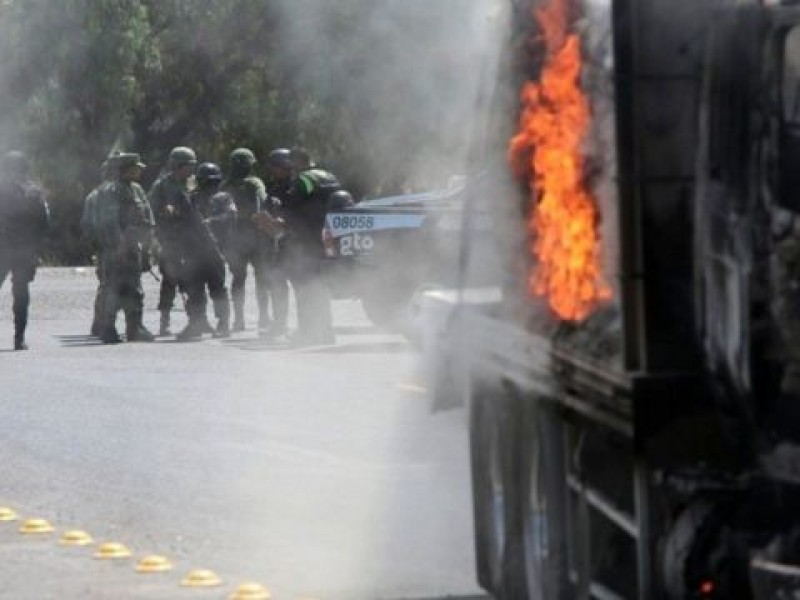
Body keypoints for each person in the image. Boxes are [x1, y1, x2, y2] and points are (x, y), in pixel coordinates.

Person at [256, 148, 340, 345]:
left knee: (304, 288)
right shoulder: (328, 175)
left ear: (295, 162)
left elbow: (291, 209)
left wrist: (274, 221)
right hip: (325, 238)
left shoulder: (303, 179)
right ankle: (326, 332)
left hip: (305, 241)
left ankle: (307, 332)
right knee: (319, 288)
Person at [94, 152, 155, 344]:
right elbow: (110, 221)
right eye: (135, 167)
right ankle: (108, 329)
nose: (139, 170)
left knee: (135, 289)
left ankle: (134, 328)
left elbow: (148, 217)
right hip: (117, 248)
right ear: (125, 169)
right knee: (114, 288)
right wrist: (119, 245)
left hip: (134, 246)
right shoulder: (112, 191)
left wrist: (147, 246)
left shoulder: (137, 189)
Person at [0, 151, 50, 350]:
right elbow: (45, 221)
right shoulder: (34, 192)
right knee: (21, 294)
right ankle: (19, 338)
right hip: (24, 250)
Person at [220, 147, 270, 332]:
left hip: (235, 239)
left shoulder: (225, 186)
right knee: (261, 279)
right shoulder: (255, 183)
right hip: (256, 237)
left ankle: (239, 320)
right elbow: (263, 201)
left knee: (238, 280)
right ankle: (264, 318)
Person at [149, 147, 198, 337]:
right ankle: (164, 322)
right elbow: (149, 209)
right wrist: (164, 214)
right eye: (188, 166)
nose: (191, 170)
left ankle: (195, 320)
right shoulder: (161, 185)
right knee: (169, 280)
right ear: (177, 166)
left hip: (191, 240)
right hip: (170, 239)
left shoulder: (193, 183)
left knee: (192, 280)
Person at [81, 153, 119, 337]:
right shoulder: (98, 196)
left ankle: (100, 323)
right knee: (107, 285)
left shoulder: (99, 194)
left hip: (106, 246)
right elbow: (89, 225)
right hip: (107, 246)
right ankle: (101, 324)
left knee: (106, 285)